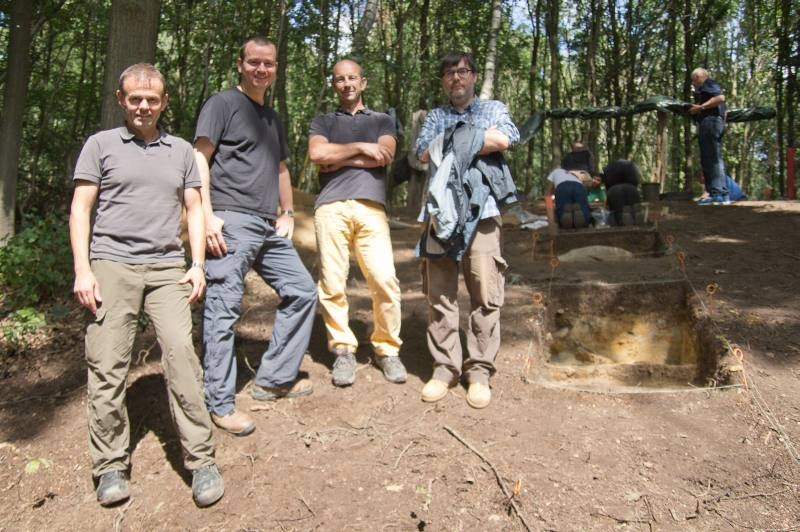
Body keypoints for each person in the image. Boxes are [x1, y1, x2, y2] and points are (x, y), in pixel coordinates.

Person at [70, 63, 223, 507]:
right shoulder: (100, 145)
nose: (143, 106)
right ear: (121, 100)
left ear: (163, 102)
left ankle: (202, 460)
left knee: (181, 355)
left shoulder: (181, 151)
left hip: (166, 267)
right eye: (135, 98)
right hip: (112, 264)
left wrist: (197, 264)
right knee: (107, 363)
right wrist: (83, 269)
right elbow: (80, 208)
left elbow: (195, 208)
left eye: (152, 99)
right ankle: (110, 465)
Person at [194, 36, 317, 437]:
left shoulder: (272, 118)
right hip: (230, 219)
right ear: (240, 64)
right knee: (223, 308)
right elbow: (199, 158)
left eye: (269, 63)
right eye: (254, 62)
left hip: (266, 224)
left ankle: (272, 380)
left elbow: (280, 168)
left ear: (276, 68)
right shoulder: (222, 104)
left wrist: (287, 212)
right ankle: (219, 403)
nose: (261, 69)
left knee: (303, 291)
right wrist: (207, 216)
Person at [414, 51, 520, 409]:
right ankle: (445, 368)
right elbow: (422, 153)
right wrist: (475, 140)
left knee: (486, 294)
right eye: (449, 73)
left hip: (483, 214)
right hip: (440, 214)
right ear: (443, 81)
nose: (456, 78)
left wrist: (453, 140)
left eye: (462, 71)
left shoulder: (493, 108)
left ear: (473, 76)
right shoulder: (435, 116)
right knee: (439, 295)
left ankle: (479, 372)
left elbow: (506, 139)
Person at [307, 59, 406, 387]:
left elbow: (385, 155)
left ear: (363, 82)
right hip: (330, 208)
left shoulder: (381, 120)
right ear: (334, 84)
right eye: (340, 79)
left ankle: (387, 349)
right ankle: (342, 349)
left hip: (371, 207)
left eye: (352, 78)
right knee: (332, 283)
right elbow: (318, 156)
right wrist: (363, 148)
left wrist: (339, 158)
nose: (347, 83)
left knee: (384, 279)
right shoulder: (323, 121)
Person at [689, 68, 729, 204]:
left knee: (712, 159)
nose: (693, 83)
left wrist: (700, 107)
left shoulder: (709, 84)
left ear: (699, 77)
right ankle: (718, 194)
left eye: (694, 80)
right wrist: (723, 124)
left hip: (710, 122)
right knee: (711, 158)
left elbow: (720, 98)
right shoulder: (706, 90)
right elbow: (724, 109)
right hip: (713, 123)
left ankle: (718, 194)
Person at [601, 159, 644, 226]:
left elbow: (608, 209)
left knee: (618, 214)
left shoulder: (612, 190)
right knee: (635, 211)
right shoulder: (633, 189)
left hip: (615, 192)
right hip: (632, 190)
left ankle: (621, 222)